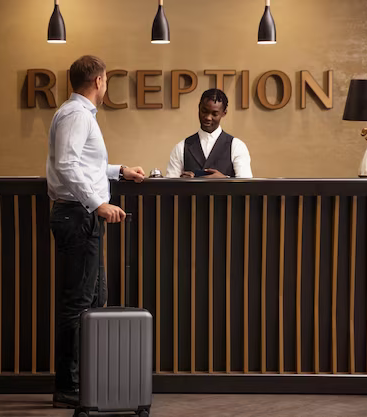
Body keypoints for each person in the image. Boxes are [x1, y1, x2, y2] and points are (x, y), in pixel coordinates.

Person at [46, 55, 145, 408]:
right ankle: (67, 387)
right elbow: (67, 164)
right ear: (99, 81)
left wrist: (120, 171)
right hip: (77, 216)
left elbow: (86, 164)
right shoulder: (76, 115)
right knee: (77, 305)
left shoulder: (78, 115)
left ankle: (83, 382)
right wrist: (97, 204)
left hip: (80, 216)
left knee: (91, 301)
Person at [165, 88, 253, 179]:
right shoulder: (181, 147)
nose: (208, 117)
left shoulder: (237, 146)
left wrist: (224, 180)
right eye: (204, 111)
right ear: (199, 107)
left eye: (214, 114)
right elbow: (169, 187)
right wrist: (183, 183)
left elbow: (246, 186)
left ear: (224, 113)